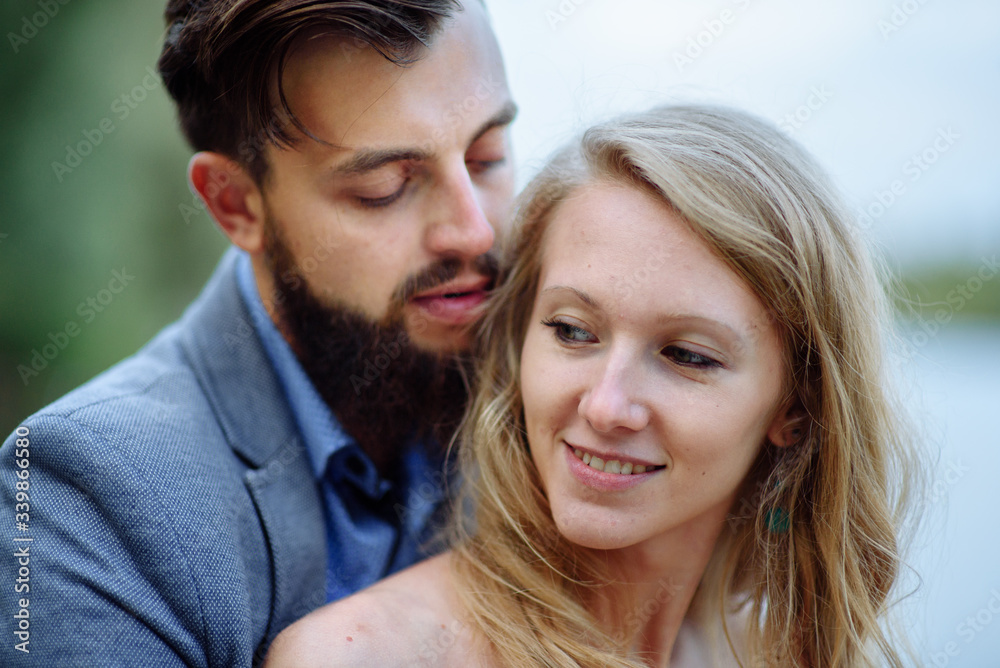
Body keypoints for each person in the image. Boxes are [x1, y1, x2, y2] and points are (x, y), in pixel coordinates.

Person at [264, 104, 919, 667]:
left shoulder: (772, 651)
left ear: (796, 410)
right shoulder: (363, 657)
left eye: (687, 355)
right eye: (574, 332)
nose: (606, 406)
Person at [0, 1, 516, 666]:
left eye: (488, 157)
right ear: (235, 204)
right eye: (385, 187)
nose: (474, 230)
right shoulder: (83, 500)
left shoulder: (572, 396)